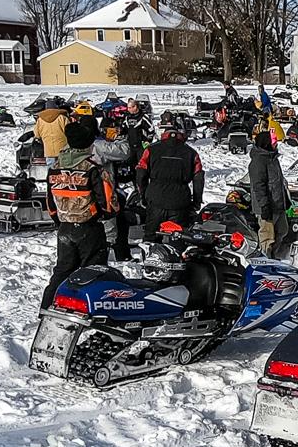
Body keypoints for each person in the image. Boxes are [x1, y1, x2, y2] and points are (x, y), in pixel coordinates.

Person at [41, 116, 114, 307]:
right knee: (94, 270)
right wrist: (104, 215)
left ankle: (48, 307)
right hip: (89, 226)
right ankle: (92, 309)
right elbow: (107, 202)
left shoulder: (55, 168)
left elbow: (50, 202)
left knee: (62, 270)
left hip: (64, 227)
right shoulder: (92, 169)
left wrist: (59, 219)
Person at [136, 112, 204, 233]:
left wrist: (143, 195)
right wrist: (196, 202)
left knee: (151, 236)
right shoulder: (191, 153)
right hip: (180, 201)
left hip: (155, 198)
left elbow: (141, 173)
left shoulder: (151, 150)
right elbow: (198, 177)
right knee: (177, 238)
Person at [93, 119, 139, 261]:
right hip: (103, 189)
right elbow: (124, 151)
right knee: (117, 219)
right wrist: (122, 138)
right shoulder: (99, 146)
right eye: (113, 129)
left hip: (88, 189)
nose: (116, 131)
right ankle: (118, 253)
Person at [246, 123, 294, 258]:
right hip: (266, 206)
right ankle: (266, 259)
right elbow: (258, 186)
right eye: (273, 141)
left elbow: (278, 182)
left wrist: (285, 199)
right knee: (268, 236)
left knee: (283, 231)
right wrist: (264, 206)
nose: (275, 144)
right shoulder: (258, 161)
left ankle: (274, 255)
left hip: (278, 204)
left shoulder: (273, 158)